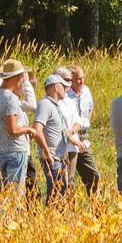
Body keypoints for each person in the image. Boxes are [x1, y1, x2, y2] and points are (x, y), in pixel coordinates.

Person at [0, 59, 37, 193]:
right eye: (21, 77)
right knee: (15, 194)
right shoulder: (11, 99)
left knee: (3, 192)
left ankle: (1, 214)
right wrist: (28, 129)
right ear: (14, 78)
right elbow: (12, 129)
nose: (22, 81)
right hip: (15, 150)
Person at [35, 71, 78, 201]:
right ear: (55, 87)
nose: (66, 89)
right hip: (53, 158)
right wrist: (48, 153)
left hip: (58, 158)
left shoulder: (53, 105)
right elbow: (37, 130)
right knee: (57, 193)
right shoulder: (45, 104)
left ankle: (53, 219)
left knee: (57, 192)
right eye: (63, 86)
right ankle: (53, 219)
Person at [67, 66, 101, 193]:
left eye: (82, 78)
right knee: (69, 179)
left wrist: (87, 121)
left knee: (93, 175)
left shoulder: (86, 91)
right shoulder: (65, 94)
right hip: (70, 136)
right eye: (78, 79)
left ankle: (97, 208)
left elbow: (90, 106)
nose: (81, 82)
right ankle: (70, 210)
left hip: (83, 135)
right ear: (70, 80)